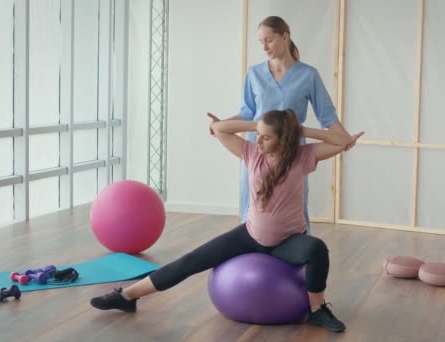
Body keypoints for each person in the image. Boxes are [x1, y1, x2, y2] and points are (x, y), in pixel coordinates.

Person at [91, 109, 364, 333]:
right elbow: (221, 129)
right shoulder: (251, 154)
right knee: (189, 261)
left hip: (288, 241)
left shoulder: (303, 157)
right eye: (257, 135)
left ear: (284, 138)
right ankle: (126, 296)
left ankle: (317, 309)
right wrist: (259, 124)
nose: (258, 141)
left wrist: (300, 130)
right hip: (250, 235)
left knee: (317, 249)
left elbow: (341, 141)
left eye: (266, 137)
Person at [207, 16, 354, 234]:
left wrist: (344, 140)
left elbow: (327, 116)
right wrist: (222, 125)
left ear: (285, 37)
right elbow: (247, 113)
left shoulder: (308, 75)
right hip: (257, 150)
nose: (264, 47)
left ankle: (297, 250)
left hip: (291, 152)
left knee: (293, 203)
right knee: (252, 204)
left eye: (269, 40)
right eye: (261, 42)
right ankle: (248, 251)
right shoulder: (254, 73)